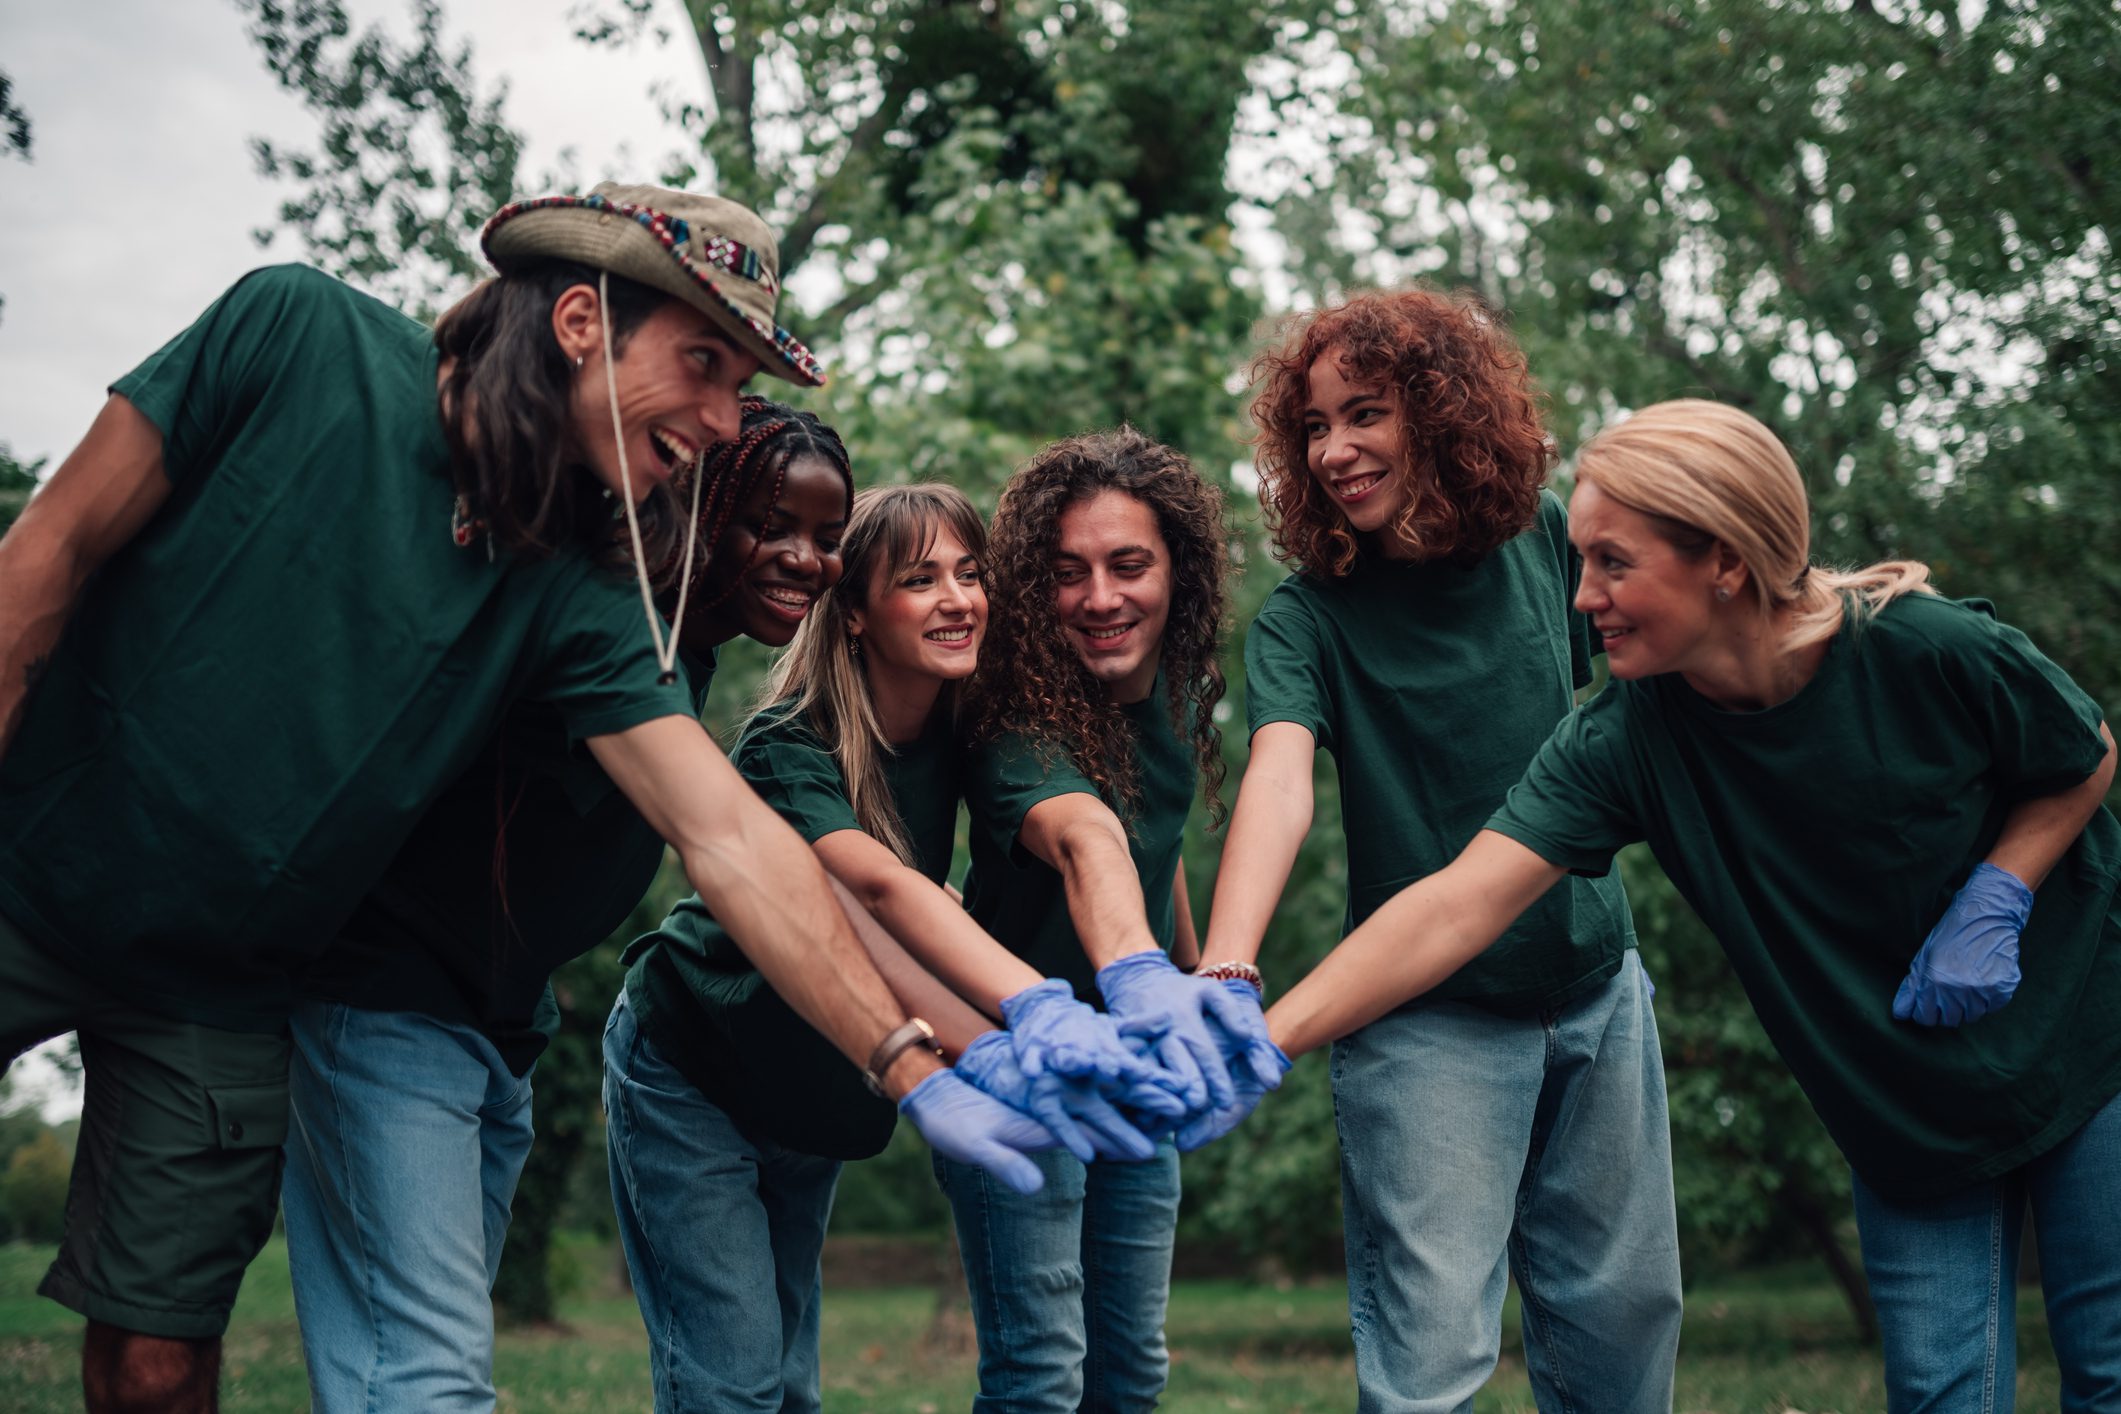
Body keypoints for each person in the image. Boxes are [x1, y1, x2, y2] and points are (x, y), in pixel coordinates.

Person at [0, 180, 1043, 1412]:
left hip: (217, 985)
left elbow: (726, 837)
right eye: (704, 365)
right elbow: (47, 552)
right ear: (582, 324)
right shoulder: (292, 336)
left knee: (161, 1358)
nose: (722, 419)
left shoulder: (584, 590)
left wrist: (910, 1065)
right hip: (32, 878)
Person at [1266, 399, 2121, 1413]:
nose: (1582, 598)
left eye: (1614, 563)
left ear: (1722, 558)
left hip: (2085, 1049)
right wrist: (1263, 1039)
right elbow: (1456, 904)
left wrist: (2001, 891)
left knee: (2106, 1371)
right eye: (1581, 561)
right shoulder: (1630, 738)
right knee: (1942, 1394)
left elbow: (2083, 753)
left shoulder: (1924, 647)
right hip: (1904, 1102)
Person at [281, 395, 856, 1411]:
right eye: (771, 524)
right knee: (425, 1378)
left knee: (428, 1364)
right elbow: (722, 844)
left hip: (502, 1028)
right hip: (387, 1003)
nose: (804, 558)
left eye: (827, 536)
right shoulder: (604, 613)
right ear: (702, 500)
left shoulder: (689, 653)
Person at [1200, 288, 1680, 1411]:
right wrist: (1228, 963)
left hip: (1598, 987)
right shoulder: (1308, 618)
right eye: (1314, 426)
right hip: (1424, 1024)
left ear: (1443, 414)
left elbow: (1626, 706)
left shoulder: (1549, 541)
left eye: (1363, 414)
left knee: (1623, 1333)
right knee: (1429, 1366)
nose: (1334, 450)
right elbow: (1278, 782)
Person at [610, 482, 1171, 1412]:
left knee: (787, 1382)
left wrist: (1155, 966)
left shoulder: (969, 721)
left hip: (820, 1081)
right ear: (857, 614)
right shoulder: (784, 749)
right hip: (695, 1071)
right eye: (919, 579)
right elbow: (872, 891)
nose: (957, 598)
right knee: (732, 1383)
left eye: (970, 573)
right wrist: (1028, 1013)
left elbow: (1092, 820)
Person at [940, 427, 1286, 1412]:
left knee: (1131, 1374)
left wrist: (1192, 982)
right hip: (1019, 1060)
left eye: (1128, 564)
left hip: (1133, 1074)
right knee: (1041, 1375)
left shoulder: (1177, 690)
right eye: (1067, 572)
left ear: (1178, 569)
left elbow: (1151, 844)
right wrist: (1145, 978)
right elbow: (1093, 839)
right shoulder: (1014, 719)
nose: (1100, 597)